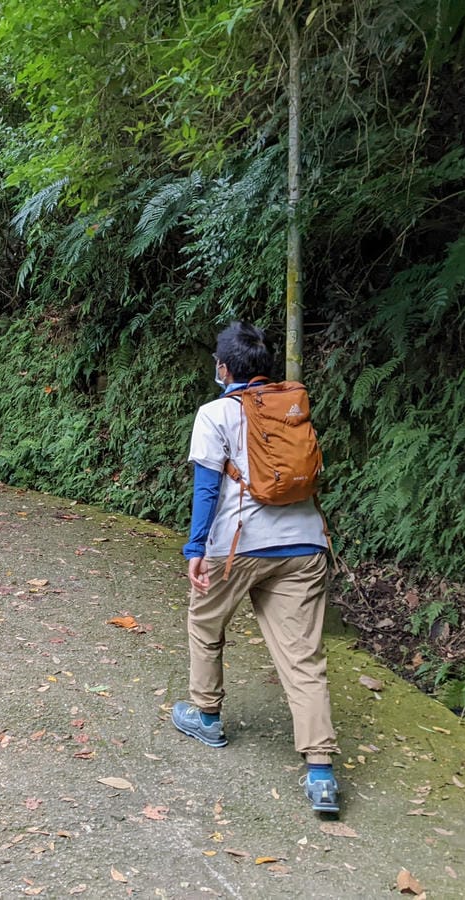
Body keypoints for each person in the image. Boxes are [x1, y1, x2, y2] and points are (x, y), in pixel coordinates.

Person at [172, 321, 340, 814]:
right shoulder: (293, 408)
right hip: (305, 544)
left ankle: (206, 715)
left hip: (237, 545)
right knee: (303, 655)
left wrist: (195, 548)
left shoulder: (215, 413)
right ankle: (321, 772)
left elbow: (207, 490)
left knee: (206, 624)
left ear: (223, 369)